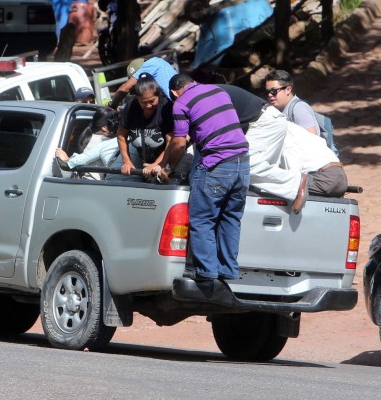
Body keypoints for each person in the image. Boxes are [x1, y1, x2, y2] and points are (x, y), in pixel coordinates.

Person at [152, 73, 250, 282]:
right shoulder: (218, 90)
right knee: (230, 218)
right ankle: (227, 270)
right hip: (242, 163)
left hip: (217, 164)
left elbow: (179, 143)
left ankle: (206, 273)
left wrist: (167, 169)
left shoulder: (181, 103)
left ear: (173, 92)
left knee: (202, 219)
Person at [217, 84, 309, 214]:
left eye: (274, 91)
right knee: (250, 175)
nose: (270, 94)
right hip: (265, 122)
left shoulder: (201, 99)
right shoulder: (203, 95)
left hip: (265, 123)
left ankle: (296, 182)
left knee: (243, 166)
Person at [111, 73, 175, 181]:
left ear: (158, 95)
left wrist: (157, 164)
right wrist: (127, 162)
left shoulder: (166, 107)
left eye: (152, 101)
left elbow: (171, 142)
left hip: (171, 154)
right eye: (144, 102)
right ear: (137, 99)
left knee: (164, 180)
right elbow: (121, 136)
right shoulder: (131, 107)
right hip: (141, 151)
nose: (148, 106)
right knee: (116, 178)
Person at [283, 122, 348, 198]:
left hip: (324, 178)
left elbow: (292, 165)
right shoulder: (292, 128)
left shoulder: (281, 132)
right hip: (338, 176)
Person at [55, 107, 119, 179]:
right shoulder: (102, 141)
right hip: (92, 182)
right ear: (104, 127)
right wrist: (67, 160)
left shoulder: (92, 137)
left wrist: (67, 159)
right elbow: (80, 160)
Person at [265, 69, 320, 135]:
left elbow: (312, 138)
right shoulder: (277, 109)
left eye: (274, 91)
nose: (270, 94)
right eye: (267, 91)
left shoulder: (298, 108)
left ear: (288, 90)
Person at [109, 57, 177, 110]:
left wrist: (113, 106)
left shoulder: (149, 66)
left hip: (178, 105)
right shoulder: (159, 63)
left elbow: (125, 88)